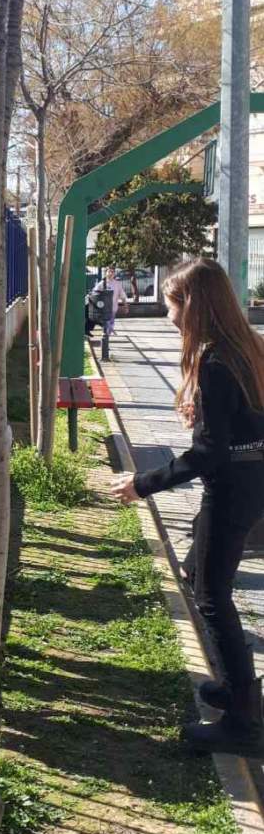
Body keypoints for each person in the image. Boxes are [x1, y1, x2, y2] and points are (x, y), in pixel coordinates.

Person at [111, 258, 264, 755]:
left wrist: (142, 484)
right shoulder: (246, 349)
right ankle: (237, 688)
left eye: (171, 304)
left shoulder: (216, 363)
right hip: (251, 480)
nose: (168, 314)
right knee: (201, 574)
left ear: (192, 305)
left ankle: (242, 722)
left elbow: (207, 453)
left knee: (212, 596)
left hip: (233, 487)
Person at [93, 268, 127, 360]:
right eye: (109, 271)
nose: (111, 273)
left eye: (112, 272)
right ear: (106, 273)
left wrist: (125, 306)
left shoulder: (117, 284)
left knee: (110, 327)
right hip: (104, 310)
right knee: (106, 327)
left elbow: (122, 295)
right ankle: (105, 346)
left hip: (113, 309)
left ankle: (105, 342)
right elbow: (95, 293)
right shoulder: (102, 283)